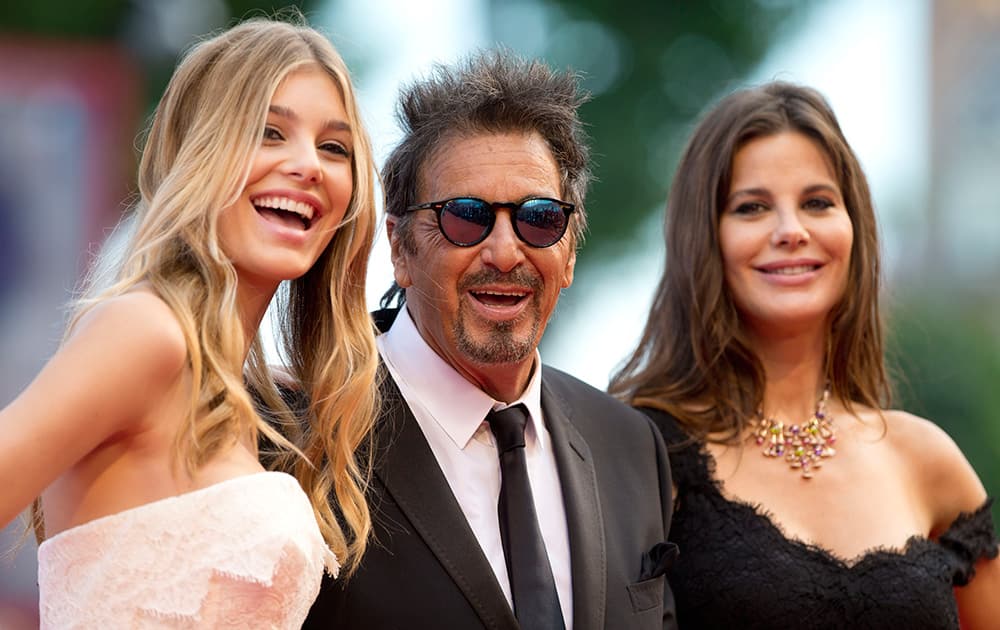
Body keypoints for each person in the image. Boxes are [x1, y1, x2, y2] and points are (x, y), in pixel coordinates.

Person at [0, 15, 380, 628]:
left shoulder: (246, 393)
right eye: (269, 132)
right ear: (199, 152)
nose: (309, 164)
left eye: (334, 147)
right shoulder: (148, 333)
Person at [303, 50, 678, 629]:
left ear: (570, 250)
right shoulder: (296, 437)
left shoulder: (630, 447)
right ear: (401, 248)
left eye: (539, 219)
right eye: (467, 216)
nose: (505, 252)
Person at [609, 81, 999, 629]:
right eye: (752, 207)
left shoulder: (927, 462)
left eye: (817, 202)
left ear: (853, 227)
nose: (791, 231)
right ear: (705, 238)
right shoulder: (640, 452)